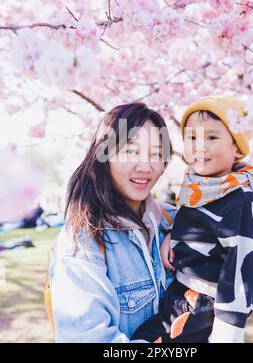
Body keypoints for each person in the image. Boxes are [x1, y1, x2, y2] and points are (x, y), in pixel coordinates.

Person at [132, 95, 253, 343]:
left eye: (211, 137)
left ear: (236, 148)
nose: (200, 146)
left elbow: (242, 269)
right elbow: (198, 226)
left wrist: (227, 332)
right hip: (181, 292)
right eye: (192, 138)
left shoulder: (240, 200)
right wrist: (173, 236)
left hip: (201, 302)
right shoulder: (201, 188)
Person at [48, 102, 177, 342]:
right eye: (131, 151)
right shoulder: (83, 240)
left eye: (156, 154)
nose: (145, 166)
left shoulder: (174, 221)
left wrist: (185, 232)